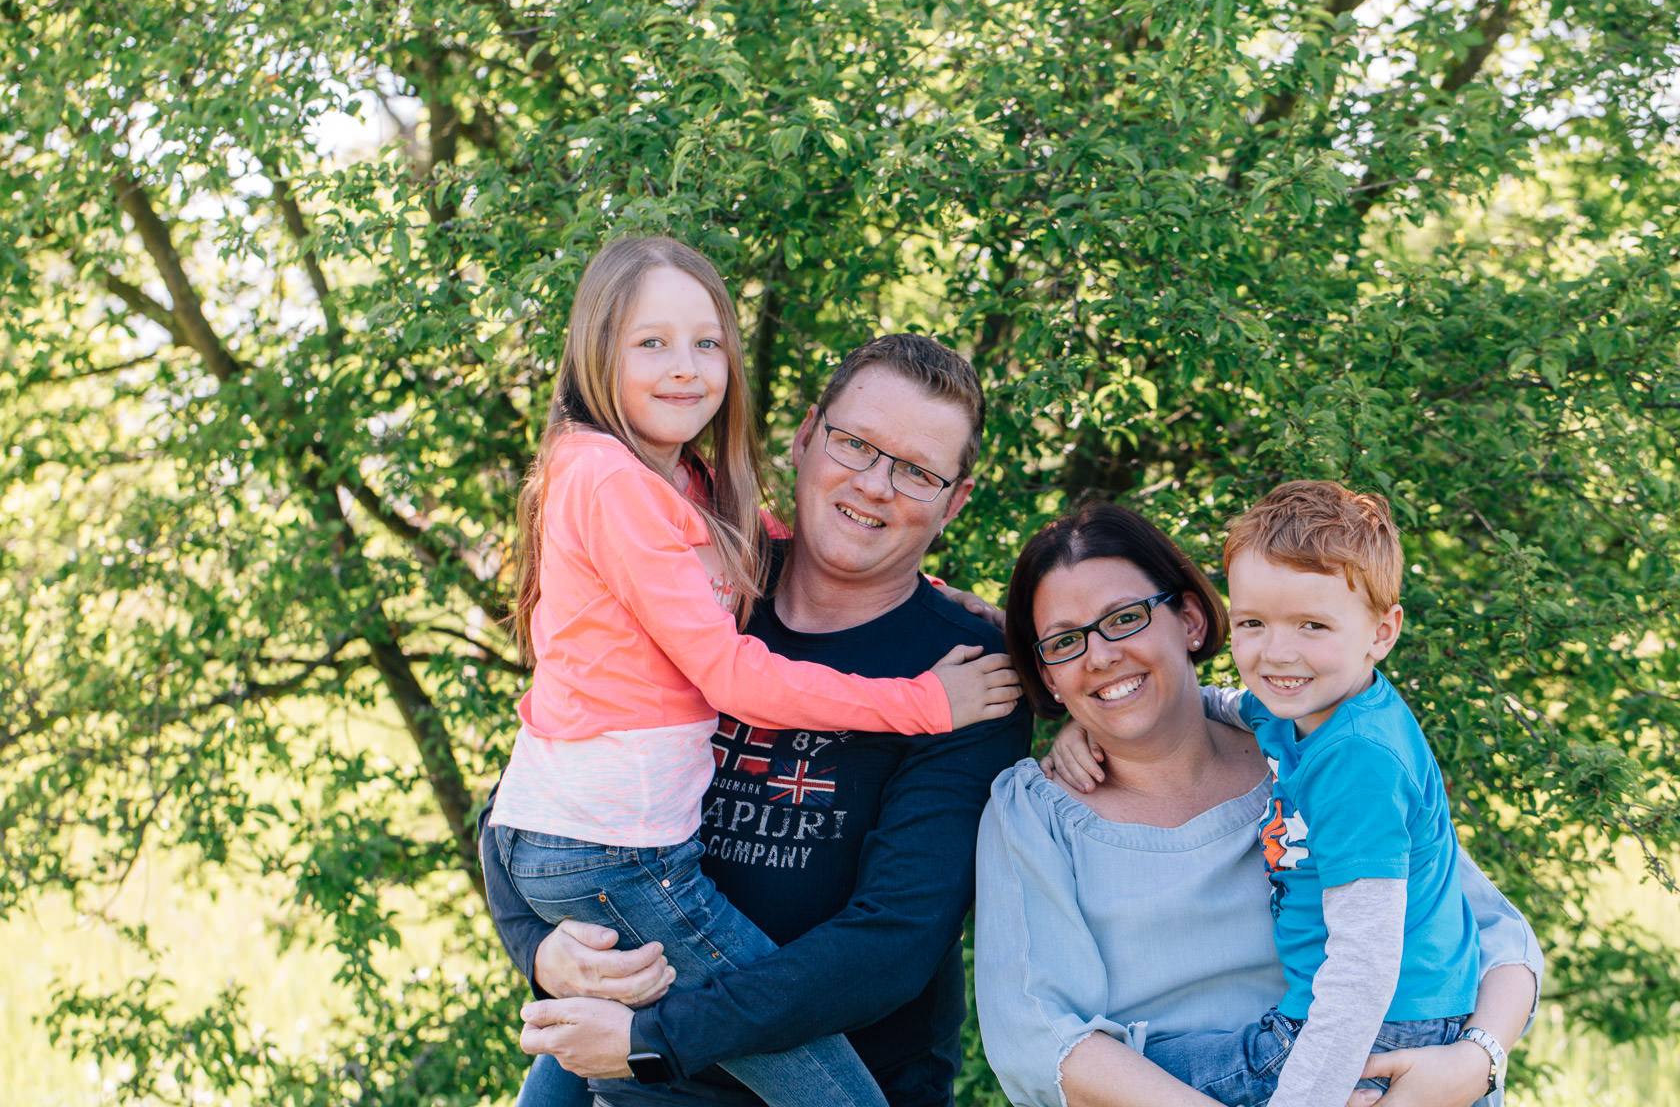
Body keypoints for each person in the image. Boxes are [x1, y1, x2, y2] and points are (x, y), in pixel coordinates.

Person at [486, 240, 1021, 1107]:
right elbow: (530, 795)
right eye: (854, 444)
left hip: (770, 1071)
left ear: (954, 501)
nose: (875, 485)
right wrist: (538, 951)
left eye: (917, 471)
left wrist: (649, 1041)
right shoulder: (707, 582)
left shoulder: (966, 673)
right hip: (617, 1074)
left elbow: (889, 944)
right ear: (808, 436)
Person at [976, 501, 1544, 1107]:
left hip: (1345, 1070)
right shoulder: (1035, 813)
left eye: (1124, 618)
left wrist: (1476, 1061)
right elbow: (1043, 1040)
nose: (1099, 655)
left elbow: (1492, 932)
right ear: (1048, 675)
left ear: (1191, 618)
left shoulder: (1314, 756)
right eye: (1065, 642)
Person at [1136, 480, 1482, 1107]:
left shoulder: (1357, 759)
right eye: (1252, 624)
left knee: (1134, 1068)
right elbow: (1228, 705)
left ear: (1382, 632)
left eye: (1313, 625)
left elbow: (1365, 962)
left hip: (1381, 1025)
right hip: (1379, 1011)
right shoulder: (1297, 706)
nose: (1277, 653)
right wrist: (1094, 726)